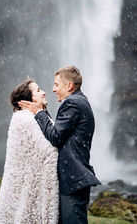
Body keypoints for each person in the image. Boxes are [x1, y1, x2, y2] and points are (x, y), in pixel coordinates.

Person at [19, 66, 101, 224]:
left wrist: (39, 113)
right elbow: (61, 133)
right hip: (75, 178)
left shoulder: (72, 103)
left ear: (69, 86)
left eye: (57, 84)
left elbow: (55, 137)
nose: (53, 89)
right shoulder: (79, 101)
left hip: (72, 178)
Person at [0, 78, 59, 224]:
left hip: (27, 186)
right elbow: (47, 151)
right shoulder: (25, 118)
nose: (44, 92)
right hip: (28, 188)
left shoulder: (32, 116)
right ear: (28, 99)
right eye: (38, 90)